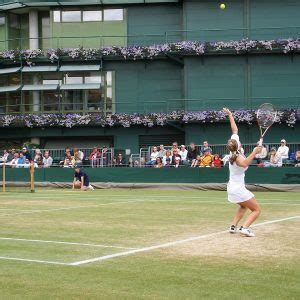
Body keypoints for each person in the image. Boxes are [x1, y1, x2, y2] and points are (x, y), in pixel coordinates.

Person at [223, 107, 262, 237]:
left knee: (243, 206)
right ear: (237, 145)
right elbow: (245, 163)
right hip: (238, 189)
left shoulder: (233, 148)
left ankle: (233, 226)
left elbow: (235, 129)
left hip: (231, 188)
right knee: (256, 210)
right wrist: (255, 152)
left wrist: (230, 115)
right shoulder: (238, 157)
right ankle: (244, 228)